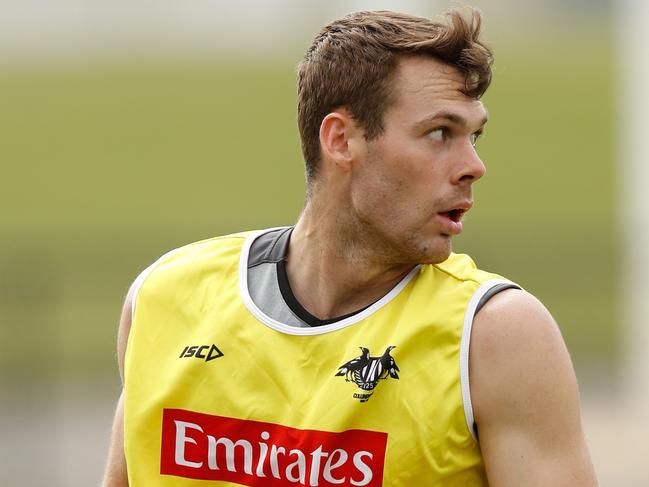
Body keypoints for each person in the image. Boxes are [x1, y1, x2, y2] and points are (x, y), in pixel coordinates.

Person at [102, 6, 598, 487]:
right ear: (341, 139)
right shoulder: (164, 298)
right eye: (440, 132)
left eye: (475, 136)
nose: (474, 165)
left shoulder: (495, 336)